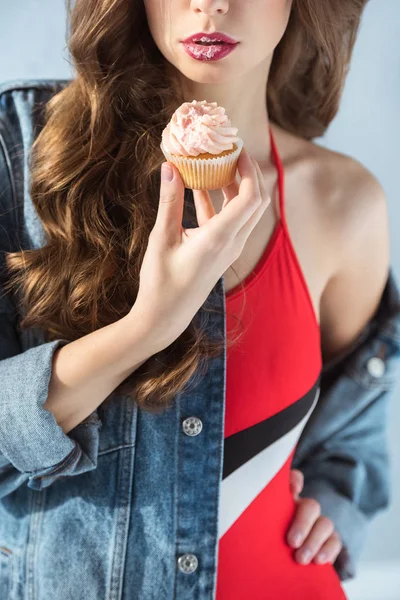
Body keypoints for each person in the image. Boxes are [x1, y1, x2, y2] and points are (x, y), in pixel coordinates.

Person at [0, 1, 399, 599]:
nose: (210, 4)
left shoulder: (346, 200)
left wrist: (339, 495)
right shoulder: (25, 155)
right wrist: (145, 328)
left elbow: (352, 425)